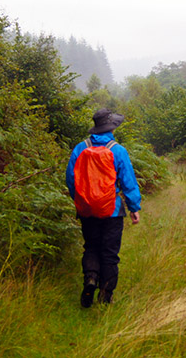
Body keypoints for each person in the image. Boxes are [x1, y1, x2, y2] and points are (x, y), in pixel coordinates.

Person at [65, 108, 141, 307]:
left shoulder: (80, 148)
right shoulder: (118, 150)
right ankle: (106, 296)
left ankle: (90, 279)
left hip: (87, 211)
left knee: (91, 247)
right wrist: (134, 207)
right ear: (112, 128)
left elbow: (71, 179)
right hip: (112, 211)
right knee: (109, 253)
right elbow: (128, 182)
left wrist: (81, 201)